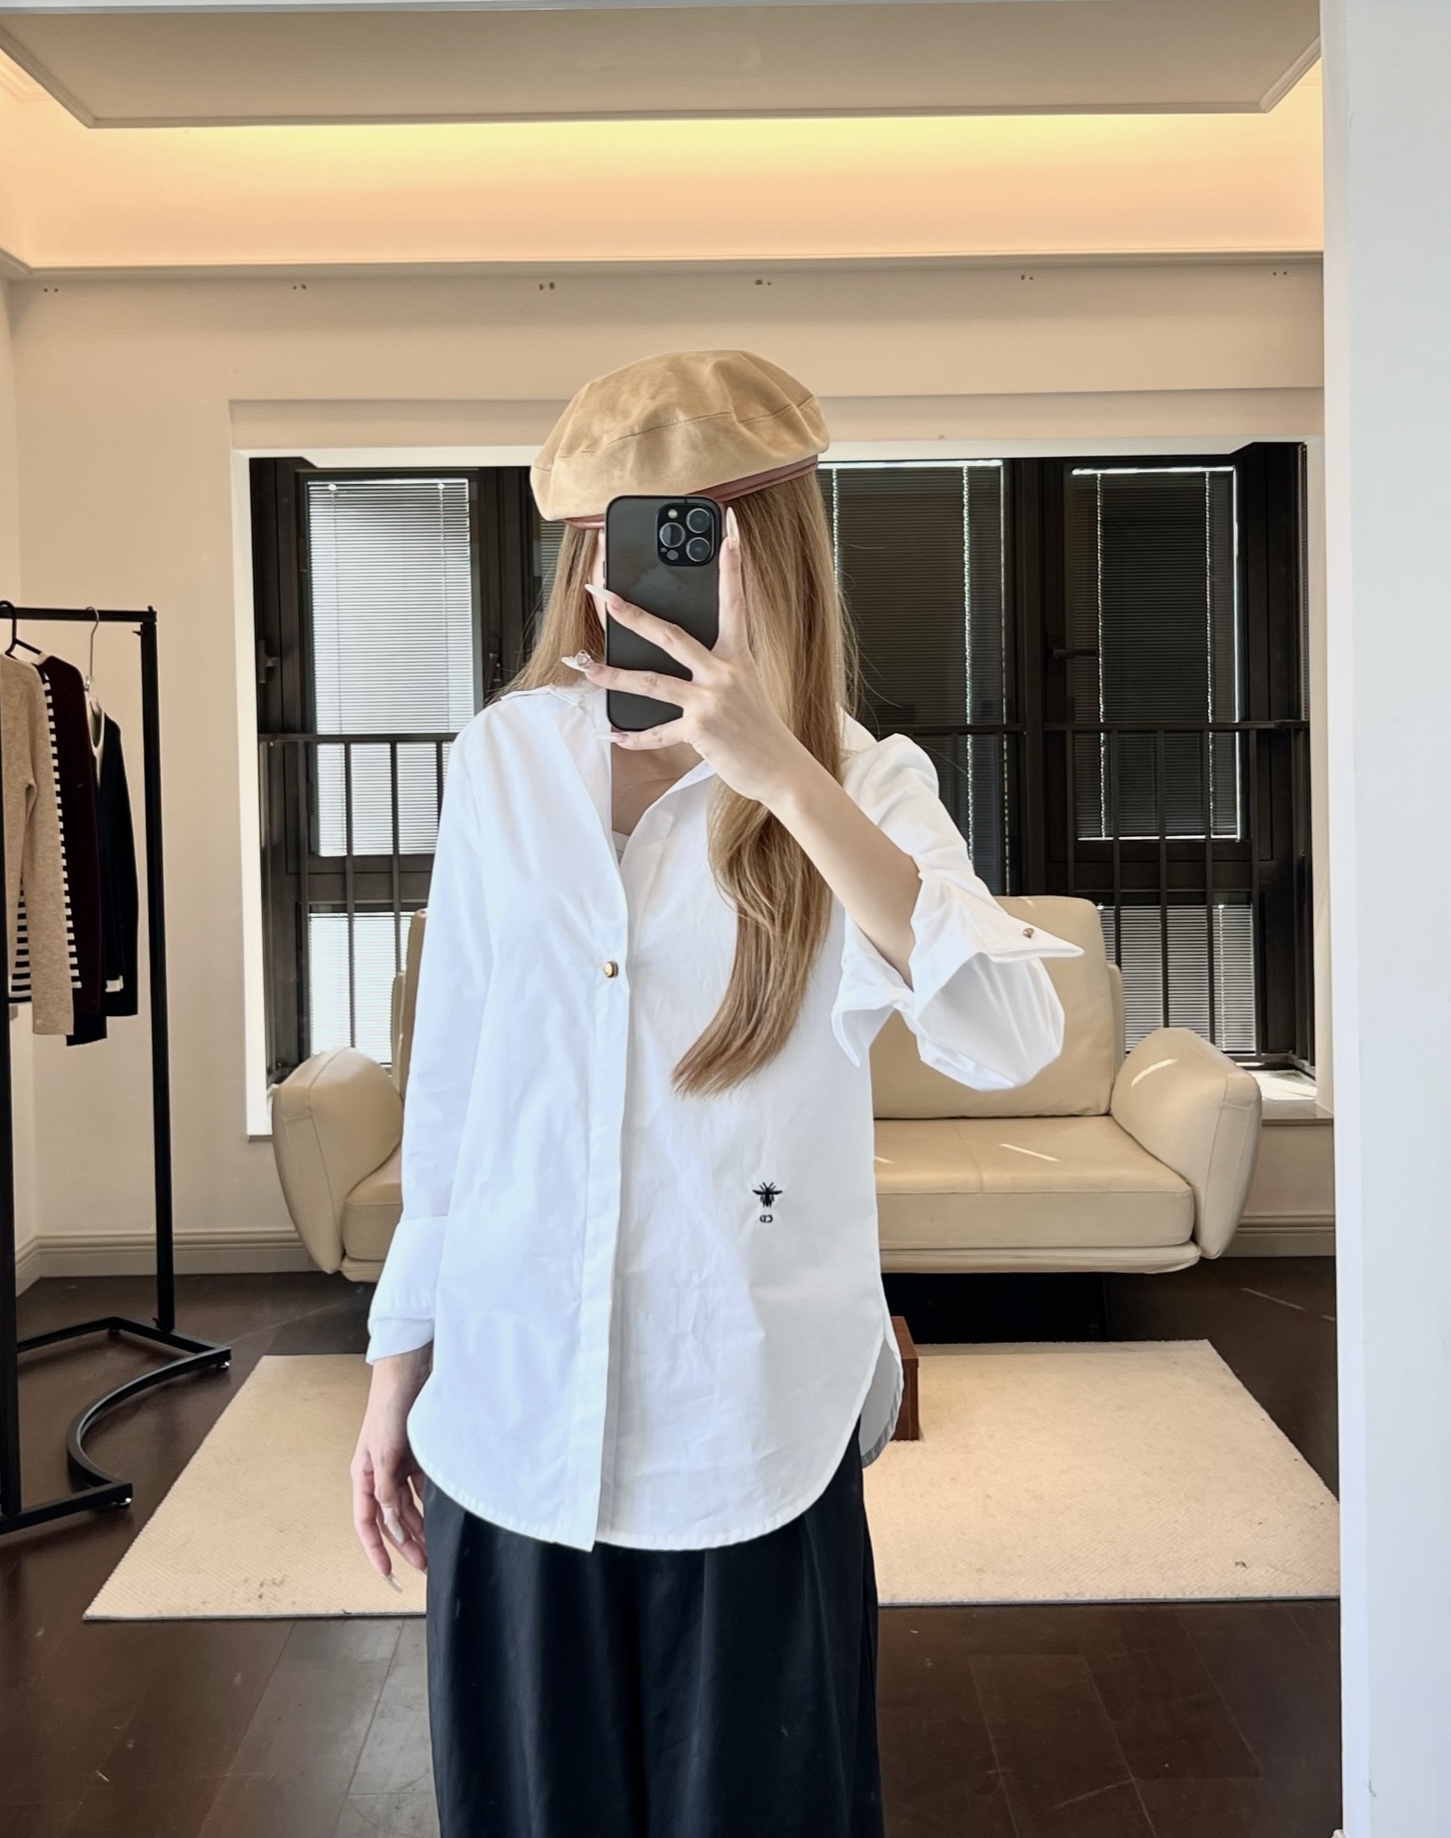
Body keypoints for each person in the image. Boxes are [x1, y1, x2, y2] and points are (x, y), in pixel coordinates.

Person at [351, 349, 1081, 1838]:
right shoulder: (503, 762)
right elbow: (457, 1090)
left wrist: (784, 775)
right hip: (511, 1411)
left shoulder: (864, 784)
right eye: (617, 537)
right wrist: (393, 1365)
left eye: (688, 536)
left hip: (745, 1427)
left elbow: (1010, 1033)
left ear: (773, 545)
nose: (644, 579)